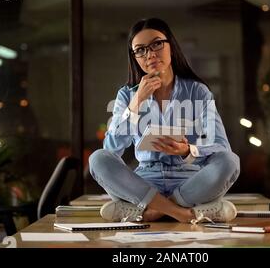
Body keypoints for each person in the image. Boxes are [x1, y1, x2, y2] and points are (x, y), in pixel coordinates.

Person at [89, 18, 240, 224]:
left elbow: (221, 146)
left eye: (156, 44)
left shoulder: (197, 91)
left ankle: (149, 212)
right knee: (98, 159)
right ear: (134, 57)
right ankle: (185, 214)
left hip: (189, 182)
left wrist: (188, 151)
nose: (150, 54)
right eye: (140, 50)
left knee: (230, 161)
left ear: (171, 46)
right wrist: (137, 101)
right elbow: (112, 148)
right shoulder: (127, 95)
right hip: (144, 182)